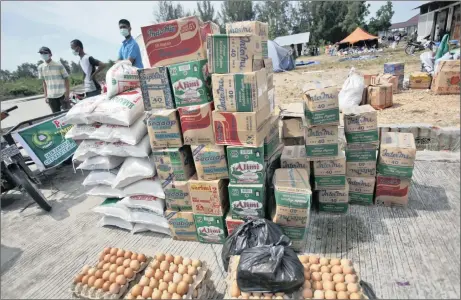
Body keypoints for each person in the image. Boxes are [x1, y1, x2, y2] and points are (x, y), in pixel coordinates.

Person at [37, 46, 70, 113]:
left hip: (62, 95)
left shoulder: (58, 65)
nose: (43, 55)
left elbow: (66, 79)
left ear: (50, 54)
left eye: (45, 53)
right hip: (51, 96)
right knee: (56, 116)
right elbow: (44, 82)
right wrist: (46, 96)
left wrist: (67, 95)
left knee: (66, 115)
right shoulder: (40, 67)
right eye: (41, 53)